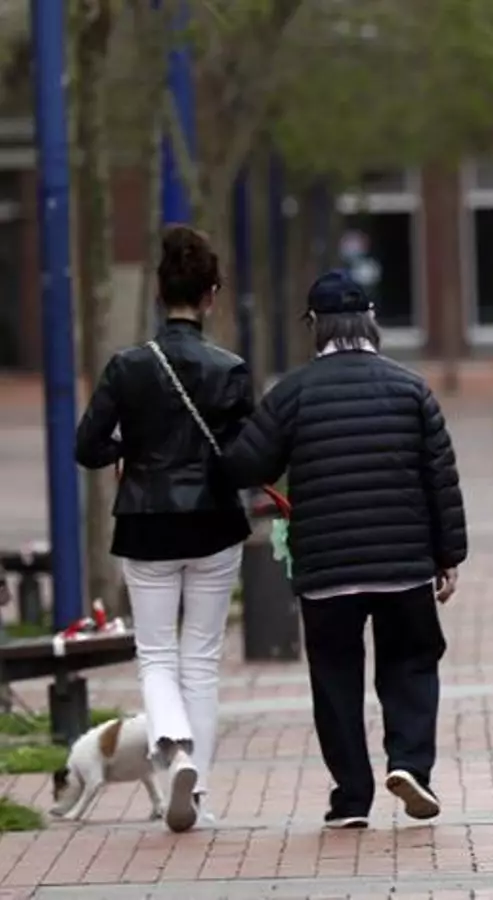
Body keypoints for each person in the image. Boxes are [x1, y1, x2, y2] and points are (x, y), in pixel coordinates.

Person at [222, 271, 468, 830]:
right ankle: (409, 765)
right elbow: (441, 479)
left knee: (335, 676)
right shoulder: (410, 389)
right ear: (371, 319)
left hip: (326, 568)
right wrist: (448, 554)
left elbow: (246, 465)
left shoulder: (292, 393)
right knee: (411, 663)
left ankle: (352, 798)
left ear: (314, 324)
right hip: (404, 564)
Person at [73, 225, 253, 834]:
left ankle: (174, 748)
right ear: (211, 295)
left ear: (158, 292)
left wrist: (130, 449)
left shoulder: (128, 367)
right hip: (214, 522)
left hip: (146, 522)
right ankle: (196, 789)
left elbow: (87, 446)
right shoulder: (230, 370)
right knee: (201, 658)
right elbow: (245, 453)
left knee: (155, 655)